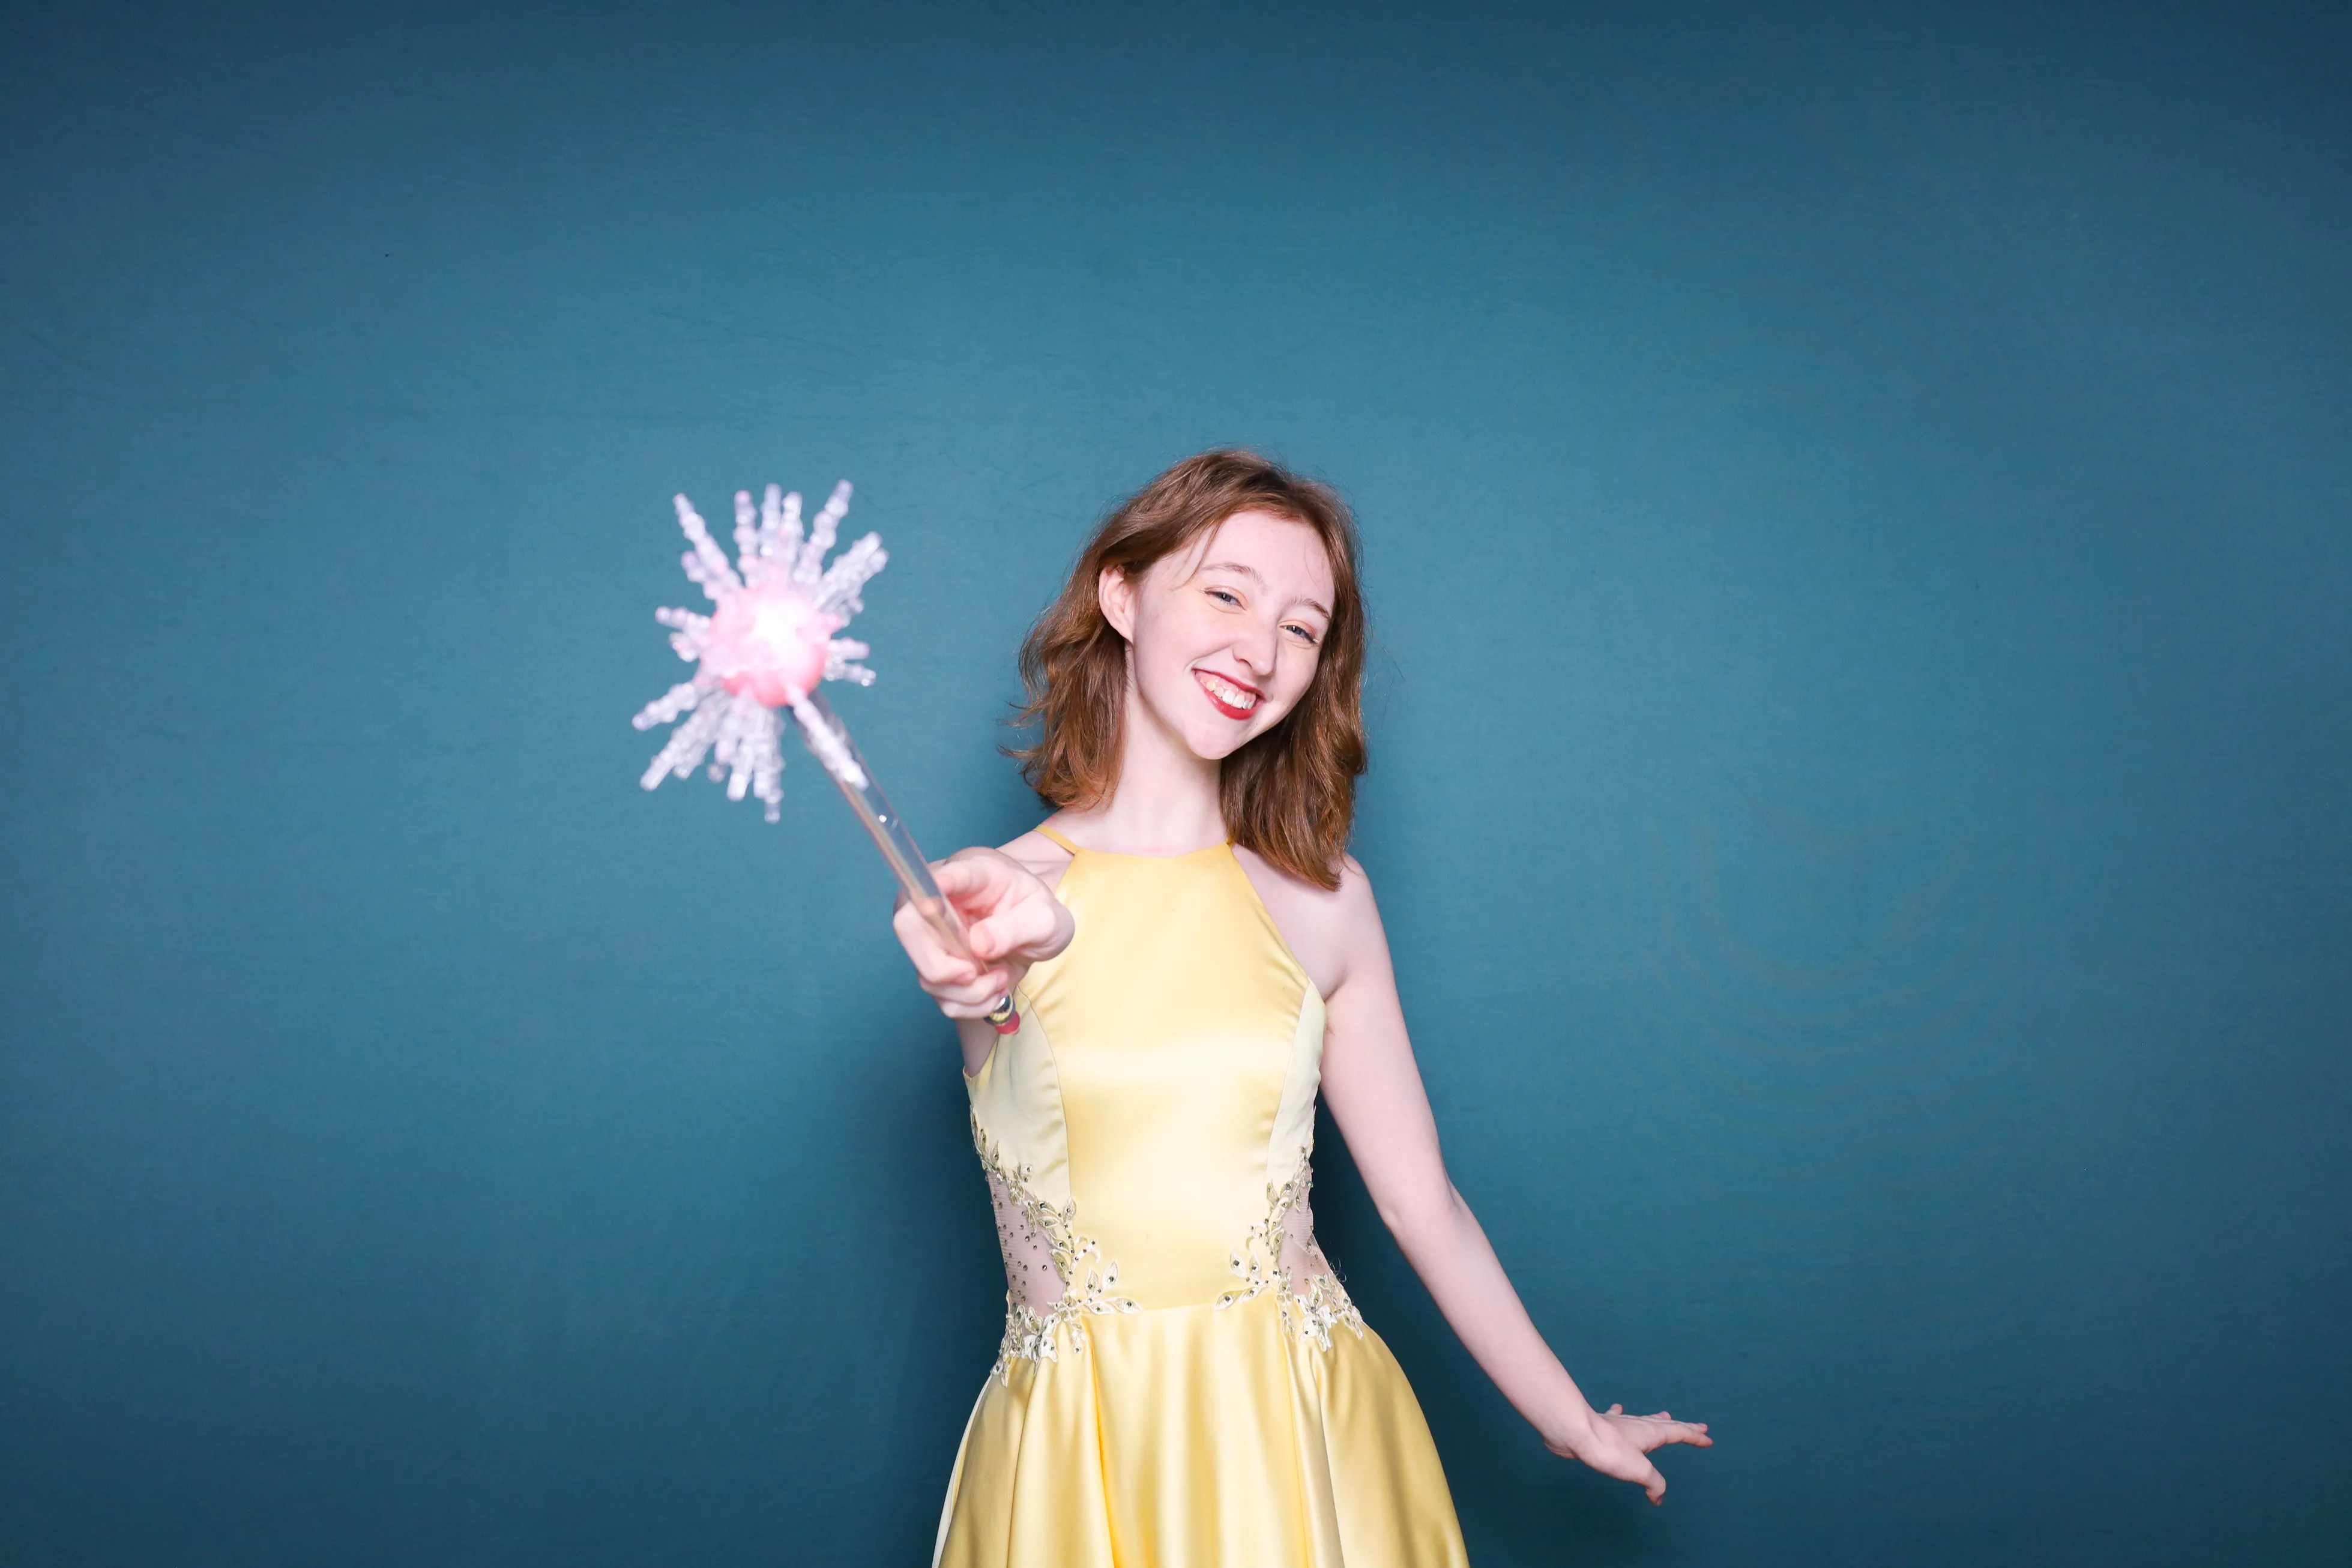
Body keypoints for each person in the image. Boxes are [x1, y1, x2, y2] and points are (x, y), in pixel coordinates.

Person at [894, 450, 1710, 1567]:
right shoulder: (999, 898)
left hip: (1300, 1421)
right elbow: (983, 992)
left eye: (1301, 627)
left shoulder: (1325, 904)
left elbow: (1422, 1205)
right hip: (1083, 1450)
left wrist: (1571, 1421)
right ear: (1120, 596)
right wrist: (981, 973)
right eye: (1225, 594)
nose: (1259, 651)